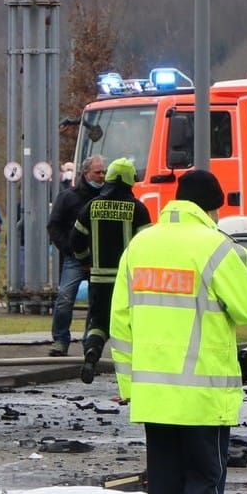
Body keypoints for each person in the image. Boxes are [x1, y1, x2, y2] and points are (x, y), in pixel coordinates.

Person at [111, 169, 247, 494]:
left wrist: (129, 385)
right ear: (212, 207)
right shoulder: (216, 247)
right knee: (204, 479)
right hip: (202, 393)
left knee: (163, 482)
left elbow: (120, 324)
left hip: (153, 393)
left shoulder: (140, 244)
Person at [70, 156, 151, 383]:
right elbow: (146, 245)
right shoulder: (138, 209)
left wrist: (86, 261)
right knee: (131, 325)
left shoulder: (91, 207)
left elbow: (75, 241)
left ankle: (92, 352)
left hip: (99, 281)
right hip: (129, 282)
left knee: (98, 322)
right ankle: (132, 373)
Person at [46, 155, 103, 357]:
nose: (102, 176)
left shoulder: (105, 197)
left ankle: (90, 342)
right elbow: (54, 226)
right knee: (64, 299)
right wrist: (68, 248)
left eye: (103, 172)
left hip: (99, 259)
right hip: (74, 258)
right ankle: (61, 340)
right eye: (98, 172)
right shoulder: (68, 197)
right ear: (86, 173)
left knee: (97, 302)